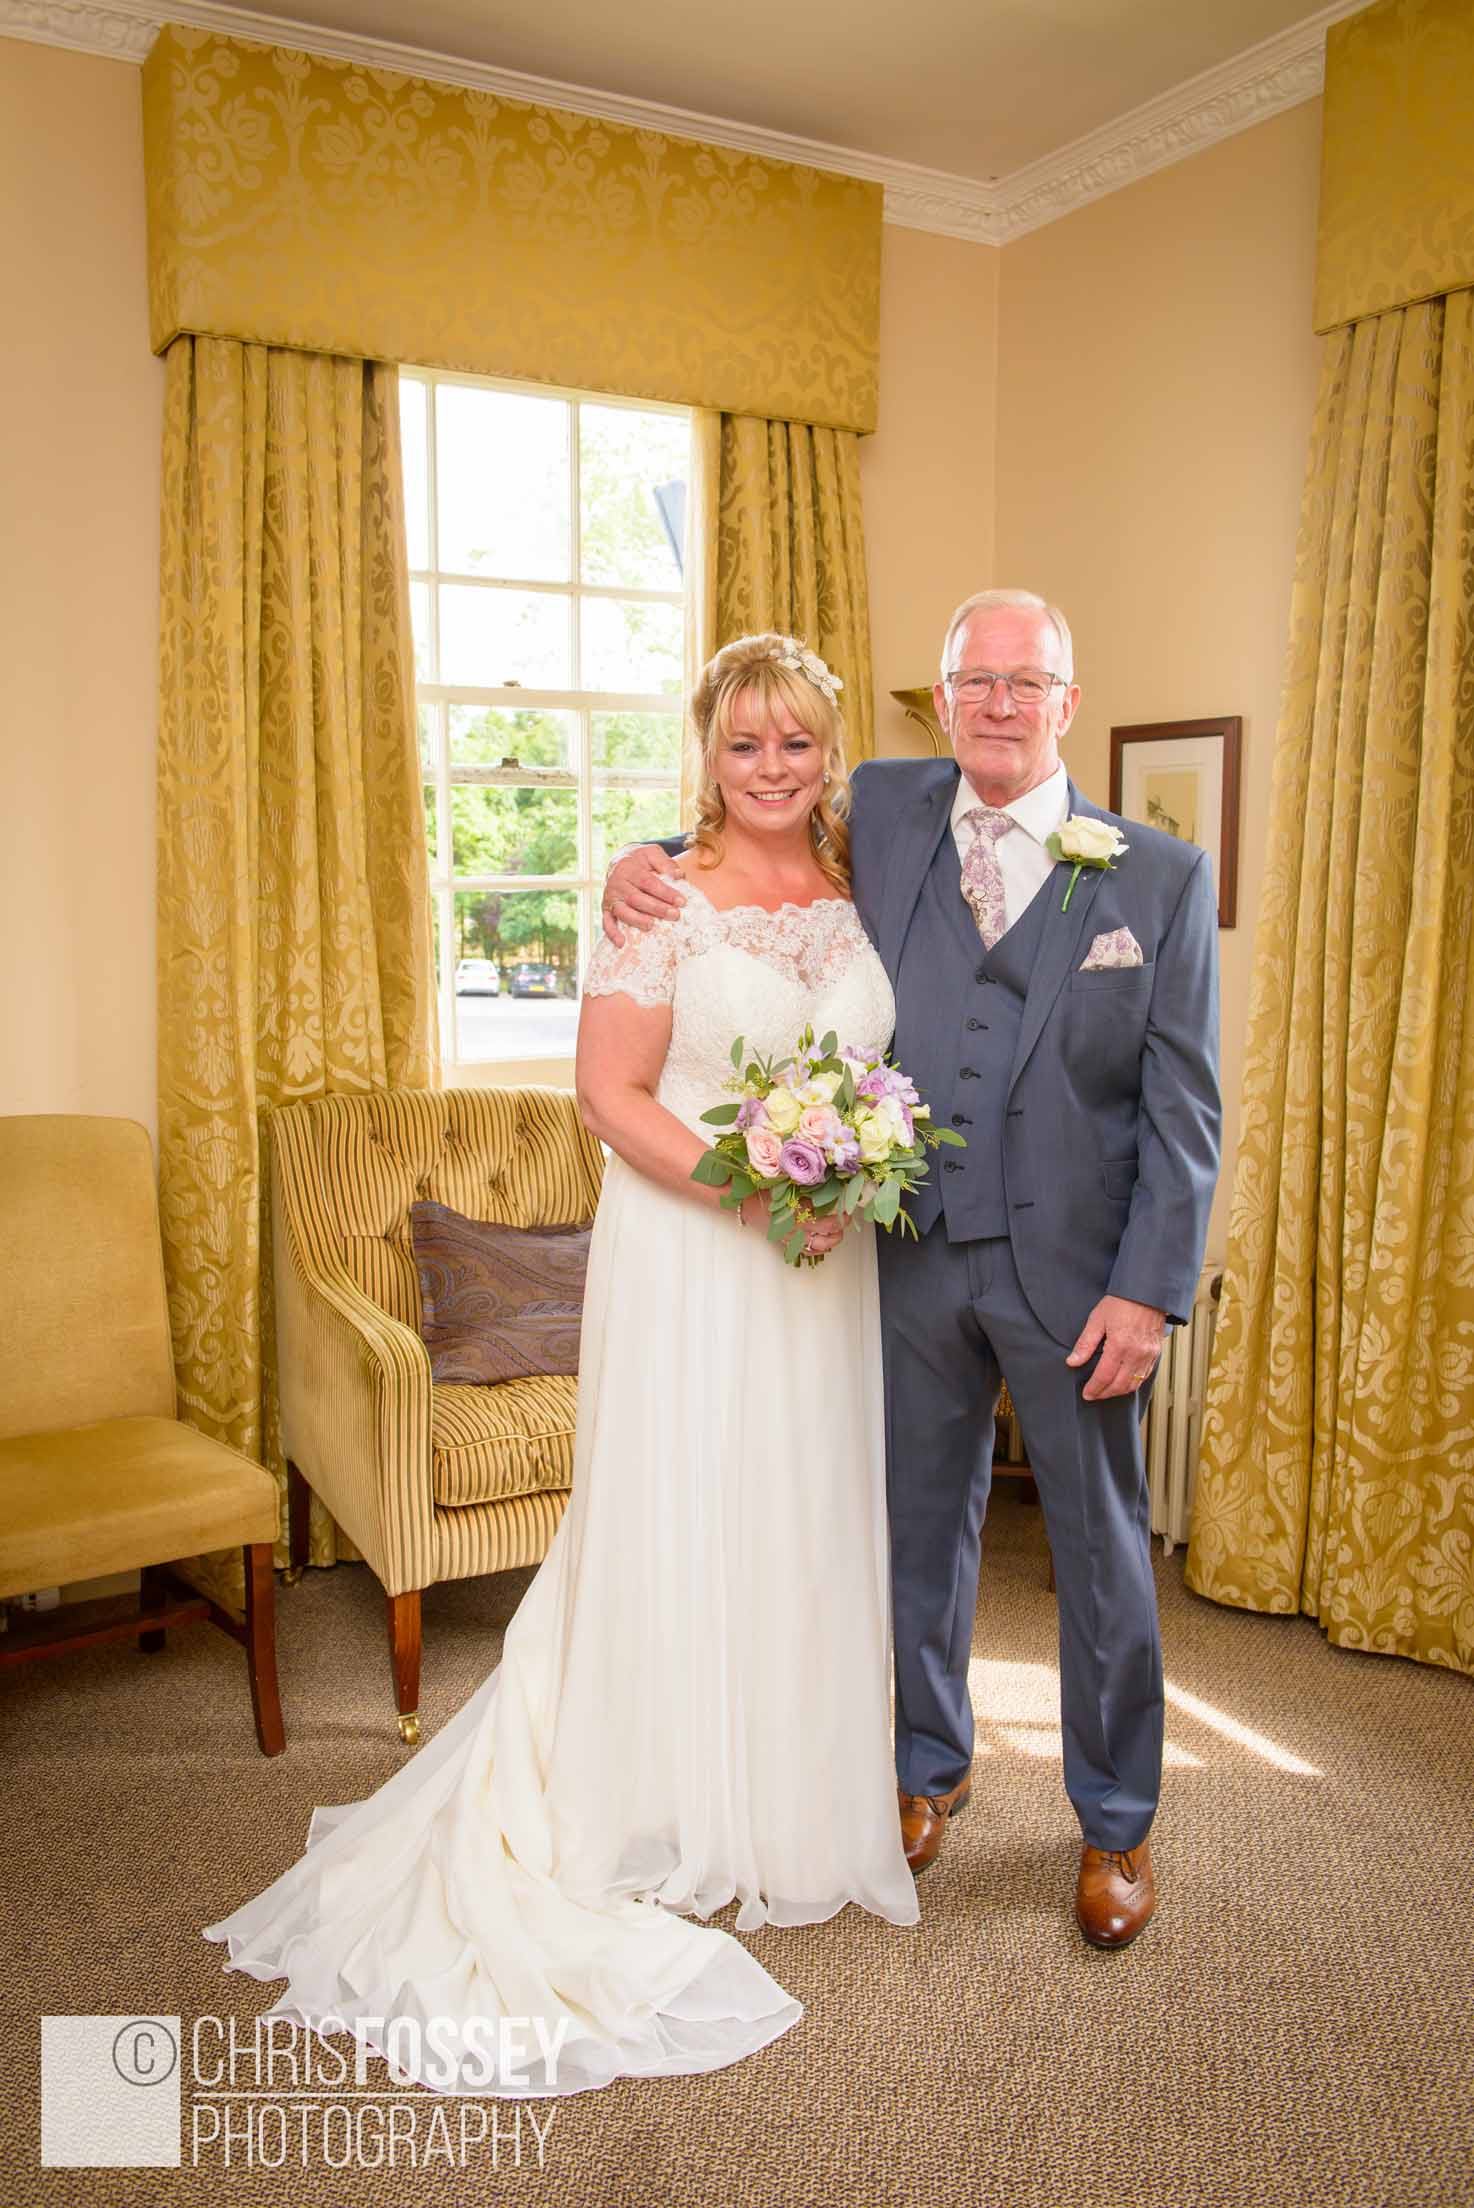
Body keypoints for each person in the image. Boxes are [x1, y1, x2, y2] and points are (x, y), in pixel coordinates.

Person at [204, 634, 917, 2097]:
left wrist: (843, 1178)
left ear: (829, 751)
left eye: (794, 742)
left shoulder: (869, 879)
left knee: (796, 1509)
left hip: (828, 1263)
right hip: (707, 1247)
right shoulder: (660, 898)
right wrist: (761, 1192)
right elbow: (608, 1095)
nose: (770, 769)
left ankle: (785, 1791)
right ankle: (655, 1787)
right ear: (704, 751)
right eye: (742, 744)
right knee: (681, 1506)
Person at [604, 589, 1221, 1949]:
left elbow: (1185, 1113)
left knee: (1101, 1553)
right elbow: (737, 819)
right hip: (901, 1261)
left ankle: (1116, 1822)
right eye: (973, 681)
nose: (998, 703)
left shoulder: (1161, 879)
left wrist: (1149, 1288)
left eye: (1025, 681)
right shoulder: (878, 809)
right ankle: (926, 1771)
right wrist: (631, 864)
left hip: (1079, 1283)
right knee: (916, 1540)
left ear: (1067, 699)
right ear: (941, 701)